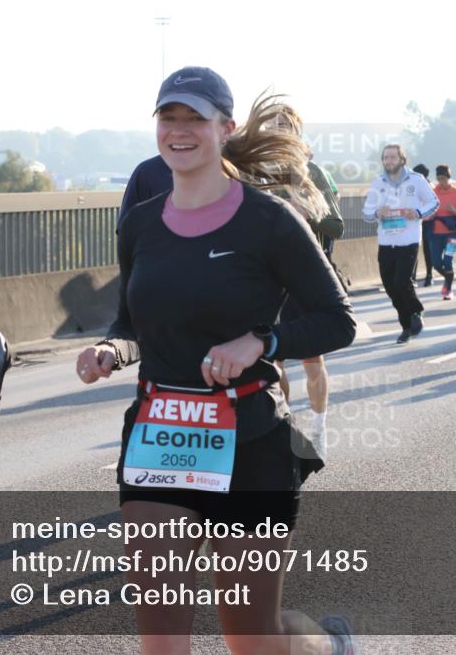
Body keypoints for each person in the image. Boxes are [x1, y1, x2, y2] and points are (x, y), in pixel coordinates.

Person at [75, 67, 357, 655]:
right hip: (160, 438)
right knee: (162, 641)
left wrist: (262, 342)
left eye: (194, 119)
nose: (179, 131)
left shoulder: (271, 221)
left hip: (251, 442)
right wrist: (110, 350)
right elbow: (134, 323)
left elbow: (338, 318)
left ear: (224, 128)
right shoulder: (140, 222)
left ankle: (327, 646)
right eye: (168, 118)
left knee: (254, 642)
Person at [266, 104, 345, 459]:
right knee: (271, 361)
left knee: (312, 361)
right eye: (273, 125)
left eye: (285, 125)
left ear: (297, 131)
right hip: (266, 278)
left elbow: (337, 226)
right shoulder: (256, 171)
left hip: (304, 276)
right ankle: (285, 425)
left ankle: (319, 426)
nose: (279, 130)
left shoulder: (312, 171)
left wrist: (307, 211)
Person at [363, 145, 439, 343]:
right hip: (386, 243)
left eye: (393, 157)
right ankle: (407, 323)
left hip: (409, 241)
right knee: (390, 288)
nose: (389, 161)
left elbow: (434, 202)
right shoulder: (378, 183)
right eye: (385, 158)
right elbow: (366, 212)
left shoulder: (416, 180)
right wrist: (377, 213)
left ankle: (413, 315)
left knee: (401, 282)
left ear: (402, 160)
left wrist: (418, 213)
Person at [430, 164, 456, 300]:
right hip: (436, 233)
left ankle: (448, 289)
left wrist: (453, 211)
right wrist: (430, 215)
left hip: (453, 232)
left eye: (444, 178)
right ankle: (449, 277)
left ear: (448, 177)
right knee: (436, 263)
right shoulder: (433, 192)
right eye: (439, 179)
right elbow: (427, 210)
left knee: (448, 260)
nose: (441, 182)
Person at [412, 163, 434, 286]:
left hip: (427, 222)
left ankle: (429, 275)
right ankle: (413, 277)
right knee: (413, 249)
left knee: (427, 250)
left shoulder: (429, 186)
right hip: (415, 221)